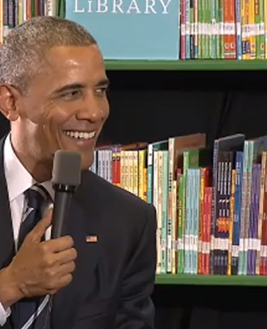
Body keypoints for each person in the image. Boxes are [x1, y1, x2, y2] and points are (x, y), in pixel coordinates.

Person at [0, 16, 157, 329]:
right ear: (11, 102)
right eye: (71, 93)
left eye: (100, 90)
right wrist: (8, 287)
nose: (95, 112)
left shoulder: (128, 221)